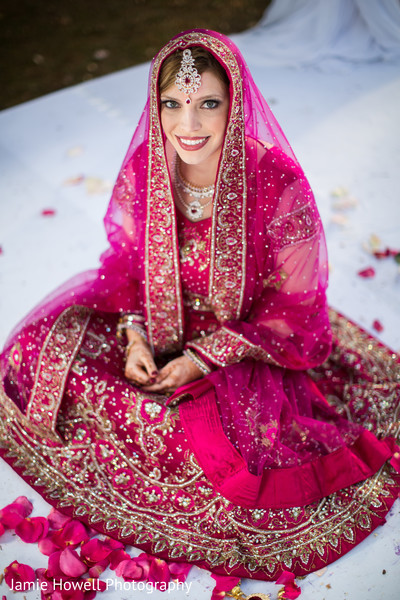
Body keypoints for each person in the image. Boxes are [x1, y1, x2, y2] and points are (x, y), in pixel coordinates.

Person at [0, 29, 399, 582]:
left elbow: (294, 307)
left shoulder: (276, 183)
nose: (188, 126)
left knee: (217, 450)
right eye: (173, 104)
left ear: (234, 105)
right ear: (155, 106)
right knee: (35, 352)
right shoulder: (149, 165)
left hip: (248, 340)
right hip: (158, 313)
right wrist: (136, 334)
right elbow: (126, 263)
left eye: (207, 104)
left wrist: (203, 359)